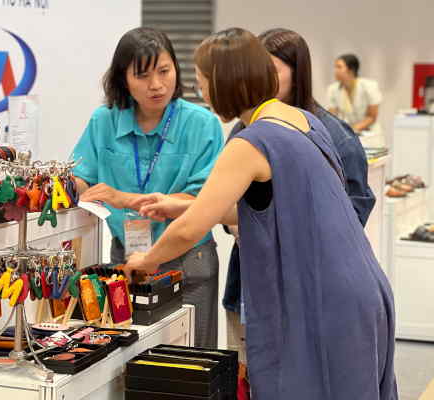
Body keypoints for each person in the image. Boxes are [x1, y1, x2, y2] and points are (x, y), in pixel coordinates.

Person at [125, 28, 398, 399]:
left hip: (325, 297)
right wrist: (180, 204)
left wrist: (148, 259)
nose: (202, 93)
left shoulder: (252, 141)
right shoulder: (302, 120)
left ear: (224, 82)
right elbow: (266, 206)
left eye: (203, 82)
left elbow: (191, 229)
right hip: (362, 289)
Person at [222, 29, 377, 378]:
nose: (261, 80)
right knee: (249, 379)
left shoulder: (333, 134)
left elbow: (352, 215)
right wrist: (236, 224)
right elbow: (225, 202)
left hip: (312, 294)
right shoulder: (244, 129)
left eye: (271, 70)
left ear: (298, 71)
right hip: (249, 285)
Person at [71, 27, 223, 348]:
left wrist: (121, 197)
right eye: (142, 75)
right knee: (132, 364)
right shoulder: (105, 121)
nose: (157, 85)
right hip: (127, 262)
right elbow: (81, 175)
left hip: (187, 262)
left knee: (191, 364)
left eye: (164, 71)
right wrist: (68, 187)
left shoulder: (202, 124)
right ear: (123, 79)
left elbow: (199, 200)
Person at [328, 53, 383, 135]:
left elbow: (371, 117)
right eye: (335, 67)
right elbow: (332, 117)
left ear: (351, 70)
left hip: (370, 134)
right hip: (350, 133)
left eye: (339, 67)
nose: (335, 71)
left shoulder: (369, 86)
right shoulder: (333, 89)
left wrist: (351, 130)